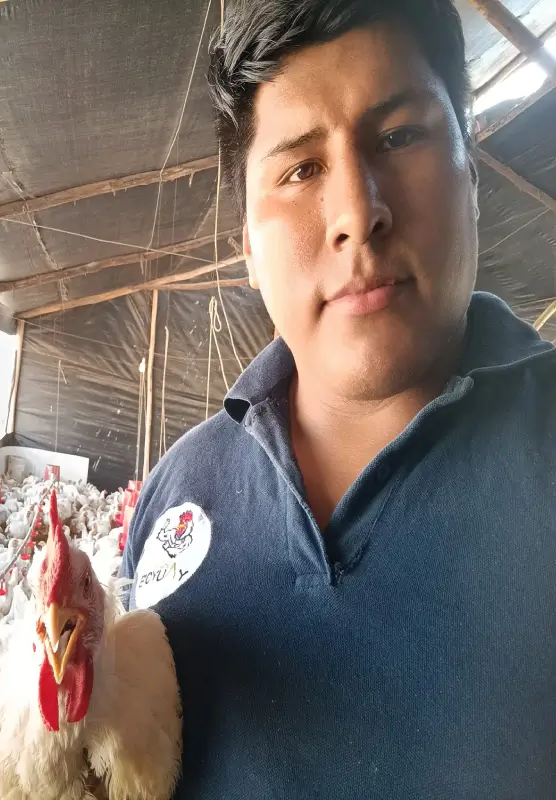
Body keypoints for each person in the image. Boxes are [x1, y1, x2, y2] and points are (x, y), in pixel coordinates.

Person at [121, 0, 556, 797]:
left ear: (471, 176)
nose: (358, 212)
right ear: (248, 248)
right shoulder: (179, 491)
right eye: (301, 169)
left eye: (401, 136)